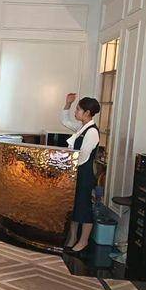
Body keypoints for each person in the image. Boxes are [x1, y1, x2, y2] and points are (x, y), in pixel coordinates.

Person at [61, 93, 101, 253]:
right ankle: (72, 238)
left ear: (87, 113)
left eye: (78, 109)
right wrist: (68, 103)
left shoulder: (92, 131)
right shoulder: (82, 128)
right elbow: (65, 121)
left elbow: (83, 156)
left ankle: (83, 241)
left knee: (84, 207)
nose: (76, 112)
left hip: (84, 173)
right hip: (76, 172)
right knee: (74, 206)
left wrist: (69, 165)